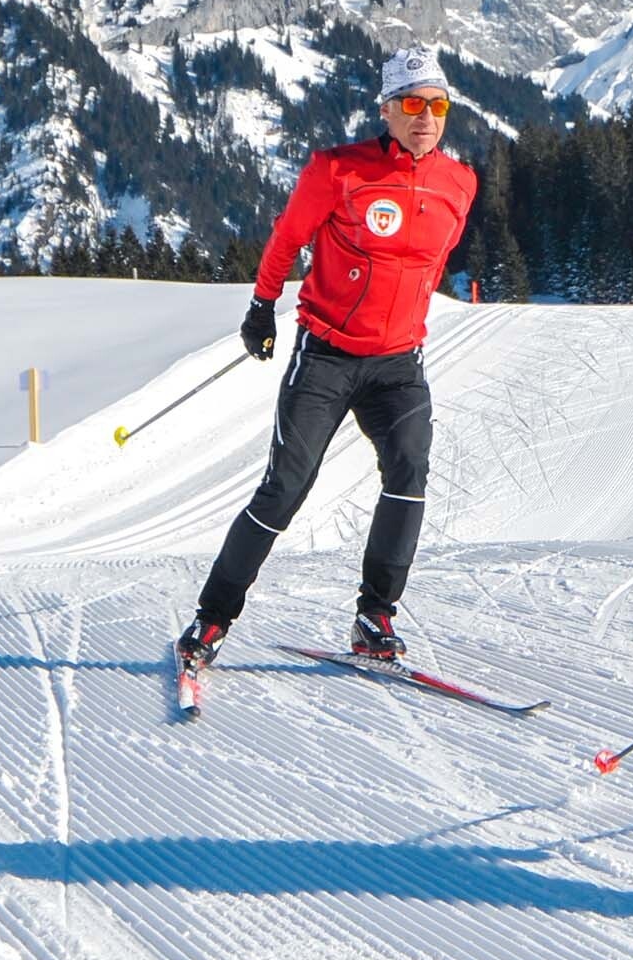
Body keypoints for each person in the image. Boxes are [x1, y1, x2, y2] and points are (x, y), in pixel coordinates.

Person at [176, 46, 479, 673]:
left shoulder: (460, 183)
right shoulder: (338, 170)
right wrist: (262, 308)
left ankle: (376, 617)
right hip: (327, 357)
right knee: (286, 487)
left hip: (398, 365)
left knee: (409, 471)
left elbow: (427, 263)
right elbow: (288, 238)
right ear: (388, 110)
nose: (426, 117)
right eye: (413, 104)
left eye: (438, 105)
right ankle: (212, 618)